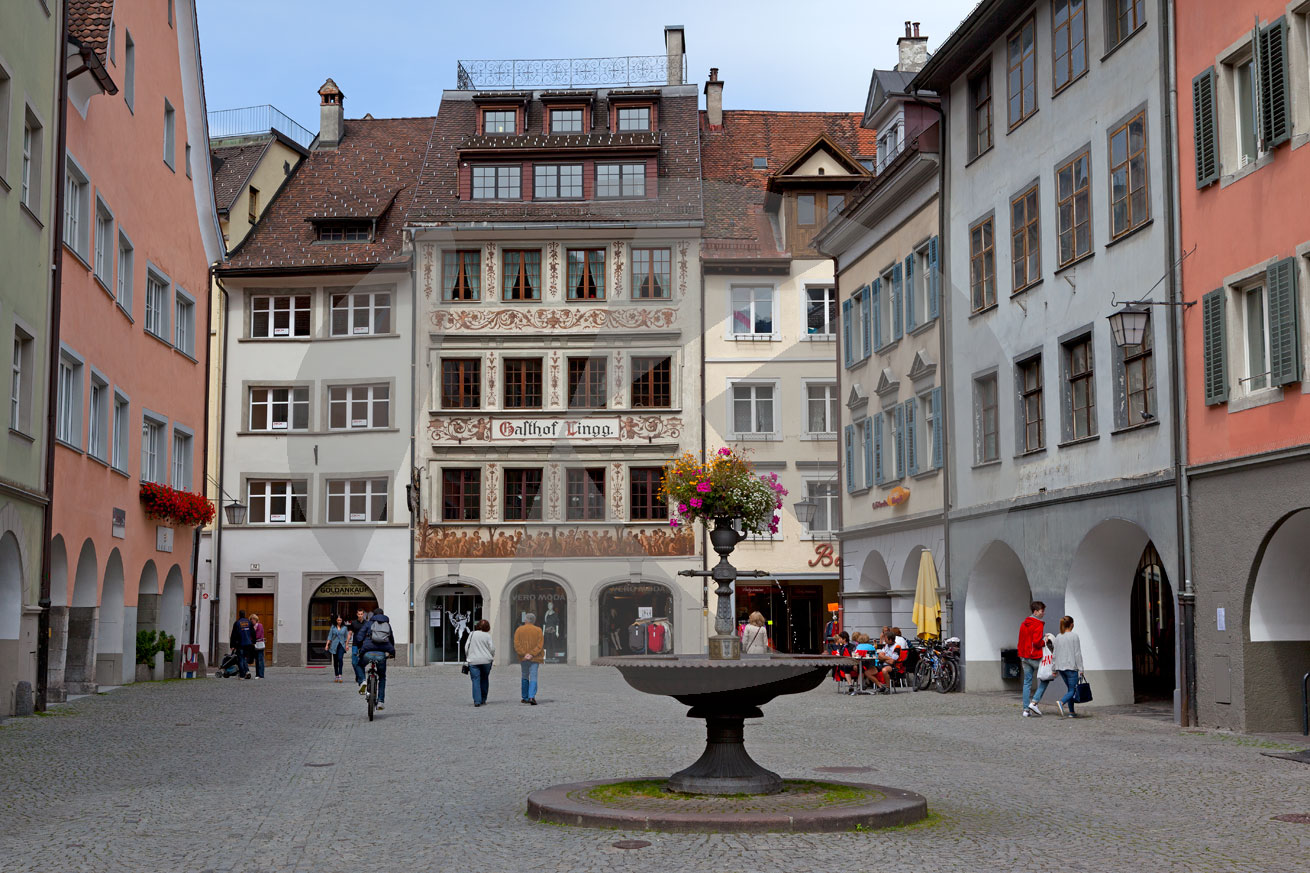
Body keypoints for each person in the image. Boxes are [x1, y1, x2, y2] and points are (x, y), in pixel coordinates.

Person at [357, 608, 396, 710]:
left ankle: (363, 681)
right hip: (381, 654)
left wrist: (360, 647)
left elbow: (359, 637)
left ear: (373, 615)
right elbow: (391, 640)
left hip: (368, 652)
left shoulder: (368, 623)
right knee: (382, 676)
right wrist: (391, 652)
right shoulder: (387, 625)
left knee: (359, 665)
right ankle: (380, 702)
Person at [1018, 600, 1048, 716]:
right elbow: (1036, 642)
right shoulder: (1038, 624)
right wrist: (1044, 641)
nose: (1043, 613)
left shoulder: (1024, 623)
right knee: (1046, 678)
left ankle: (1026, 710)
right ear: (1035, 612)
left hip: (1024, 656)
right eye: (1042, 611)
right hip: (1034, 657)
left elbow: (1021, 640)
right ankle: (1034, 702)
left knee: (1027, 682)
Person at [1053, 615, 1085, 718]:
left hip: (1061, 668)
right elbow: (1077, 654)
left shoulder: (1058, 636)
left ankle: (1072, 712)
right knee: (1073, 690)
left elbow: (1054, 654)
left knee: (1070, 690)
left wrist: (1054, 669)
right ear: (1072, 624)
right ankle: (1061, 702)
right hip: (1071, 667)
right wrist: (1081, 668)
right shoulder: (1074, 636)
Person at [514, 613, 544, 705]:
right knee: (533, 676)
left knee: (525, 676)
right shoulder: (538, 630)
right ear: (534, 620)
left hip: (523, 658)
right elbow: (540, 645)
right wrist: (532, 654)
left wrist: (524, 654)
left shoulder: (519, 630)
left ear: (525, 620)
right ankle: (531, 696)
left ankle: (525, 697)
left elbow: (517, 644)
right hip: (535, 657)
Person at [465, 619, 495, 707]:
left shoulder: (472, 634)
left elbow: (466, 647)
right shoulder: (487, 636)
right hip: (486, 660)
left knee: (475, 680)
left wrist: (468, 656)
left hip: (473, 660)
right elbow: (492, 648)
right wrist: (491, 656)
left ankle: (477, 701)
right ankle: (483, 699)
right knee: (485, 679)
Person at [229, 610, 255, 679]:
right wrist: (254, 641)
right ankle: (247, 671)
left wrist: (232, 645)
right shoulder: (249, 622)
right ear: (245, 614)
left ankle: (242, 675)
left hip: (240, 643)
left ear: (239, 615)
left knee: (240, 659)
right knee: (245, 658)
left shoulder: (237, 623)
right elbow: (253, 632)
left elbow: (233, 635)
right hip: (248, 643)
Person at [325, 616, 349, 682]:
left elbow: (346, 637)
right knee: (335, 661)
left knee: (340, 659)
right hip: (334, 645)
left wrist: (347, 645)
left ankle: (340, 675)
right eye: (338, 620)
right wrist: (327, 645)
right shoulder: (333, 627)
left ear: (342, 620)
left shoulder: (344, 628)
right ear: (336, 620)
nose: (339, 621)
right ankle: (336, 675)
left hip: (341, 645)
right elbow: (330, 636)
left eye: (340, 620)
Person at [349, 607, 369, 688]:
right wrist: (346, 643)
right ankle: (358, 675)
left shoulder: (366, 623)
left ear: (363, 614)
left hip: (363, 645)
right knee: (354, 662)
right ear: (357, 614)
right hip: (355, 644)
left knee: (361, 663)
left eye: (361, 614)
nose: (360, 615)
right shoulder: (353, 623)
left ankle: (362, 679)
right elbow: (350, 633)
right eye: (359, 614)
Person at [250, 614, 267, 679]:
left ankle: (261, 675)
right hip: (254, 645)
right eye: (251, 619)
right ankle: (257, 674)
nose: (252, 621)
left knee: (260, 659)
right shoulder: (252, 626)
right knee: (257, 660)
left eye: (253, 619)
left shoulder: (259, 625)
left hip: (259, 644)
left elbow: (258, 635)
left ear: (256, 620)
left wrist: (251, 638)